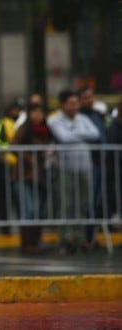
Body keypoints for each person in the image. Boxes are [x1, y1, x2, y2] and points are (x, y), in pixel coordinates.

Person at [47, 90, 100, 254]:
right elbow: (64, 138)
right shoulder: (55, 121)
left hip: (84, 168)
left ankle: (78, 237)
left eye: (76, 103)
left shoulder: (83, 119)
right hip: (65, 169)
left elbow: (95, 134)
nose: (74, 106)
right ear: (63, 105)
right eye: (70, 103)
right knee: (65, 204)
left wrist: (76, 134)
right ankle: (65, 238)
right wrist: (81, 136)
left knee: (83, 204)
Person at [11, 103, 54, 254]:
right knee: (27, 209)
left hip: (41, 175)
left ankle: (36, 241)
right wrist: (28, 158)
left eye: (40, 112)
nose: (37, 115)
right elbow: (13, 145)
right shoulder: (24, 129)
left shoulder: (47, 130)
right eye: (34, 112)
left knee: (39, 210)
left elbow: (52, 147)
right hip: (23, 175)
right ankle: (26, 243)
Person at [78, 87, 109, 248]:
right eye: (85, 97)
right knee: (87, 202)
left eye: (91, 97)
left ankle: (92, 237)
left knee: (97, 202)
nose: (89, 100)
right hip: (87, 164)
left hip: (100, 163)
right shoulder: (80, 117)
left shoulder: (96, 115)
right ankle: (85, 237)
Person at [0, 99, 23, 234]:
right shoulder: (3, 123)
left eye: (19, 109)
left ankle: (23, 225)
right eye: (14, 109)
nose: (16, 112)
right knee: (4, 197)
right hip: (5, 164)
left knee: (19, 197)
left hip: (20, 165)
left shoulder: (22, 123)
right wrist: (10, 148)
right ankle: (5, 227)